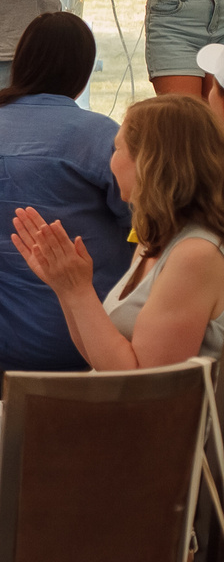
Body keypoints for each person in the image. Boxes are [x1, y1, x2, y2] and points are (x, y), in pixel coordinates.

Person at [0, 15, 131, 371]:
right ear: (81, 74)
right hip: (92, 342)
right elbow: (147, 228)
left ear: (19, 63)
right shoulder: (104, 137)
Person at [14, 94, 224, 368]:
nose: (110, 162)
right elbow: (101, 358)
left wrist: (79, 291)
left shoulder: (195, 255)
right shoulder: (158, 237)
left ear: (149, 162)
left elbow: (143, 385)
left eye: (117, 149)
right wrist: (65, 287)